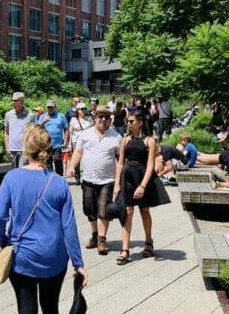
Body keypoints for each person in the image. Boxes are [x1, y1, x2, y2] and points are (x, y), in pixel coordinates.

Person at [0, 125, 87, 314]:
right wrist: (78, 263)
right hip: (54, 256)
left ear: (25, 148)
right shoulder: (58, 182)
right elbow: (69, 226)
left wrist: (4, 241)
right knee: (50, 304)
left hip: (22, 255)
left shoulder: (12, 178)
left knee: (26, 312)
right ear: (49, 149)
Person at [114, 108, 170, 264]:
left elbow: (151, 165)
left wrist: (143, 186)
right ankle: (125, 248)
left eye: (131, 121)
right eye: (128, 121)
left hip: (142, 175)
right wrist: (117, 183)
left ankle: (148, 241)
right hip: (128, 177)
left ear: (140, 122)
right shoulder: (125, 140)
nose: (129, 124)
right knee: (128, 211)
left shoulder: (150, 141)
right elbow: (120, 163)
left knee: (144, 210)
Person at [66, 106, 120, 256]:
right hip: (88, 178)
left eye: (106, 117)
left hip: (107, 180)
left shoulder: (116, 137)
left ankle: (102, 240)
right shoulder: (85, 135)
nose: (103, 120)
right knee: (89, 208)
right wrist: (71, 167)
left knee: (104, 209)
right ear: (95, 117)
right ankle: (95, 235)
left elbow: (120, 159)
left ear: (110, 120)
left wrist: (119, 180)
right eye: (100, 116)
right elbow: (78, 152)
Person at [35, 100, 69, 175]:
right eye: (48, 107)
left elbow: (66, 128)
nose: (50, 109)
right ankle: (50, 178)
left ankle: (59, 177)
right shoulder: (43, 116)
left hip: (58, 144)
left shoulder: (61, 116)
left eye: (51, 107)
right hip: (46, 143)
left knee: (57, 159)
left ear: (55, 107)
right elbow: (37, 128)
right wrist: (44, 121)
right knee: (48, 161)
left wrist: (66, 141)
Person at [67, 102, 94, 181]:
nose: (84, 111)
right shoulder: (73, 119)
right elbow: (71, 132)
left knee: (87, 158)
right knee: (77, 159)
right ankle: (77, 176)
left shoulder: (89, 119)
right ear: (78, 110)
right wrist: (69, 143)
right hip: (76, 141)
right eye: (82, 109)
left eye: (85, 109)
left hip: (86, 142)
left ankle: (87, 175)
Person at [4, 92, 31, 169]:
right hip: (12, 150)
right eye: (13, 100)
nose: (13, 102)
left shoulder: (30, 115)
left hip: (25, 150)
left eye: (16, 101)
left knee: (22, 172)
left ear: (22, 101)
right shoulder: (8, 115)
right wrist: (7, 147)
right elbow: (6, 132)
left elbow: (33, 133)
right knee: (15, 172)